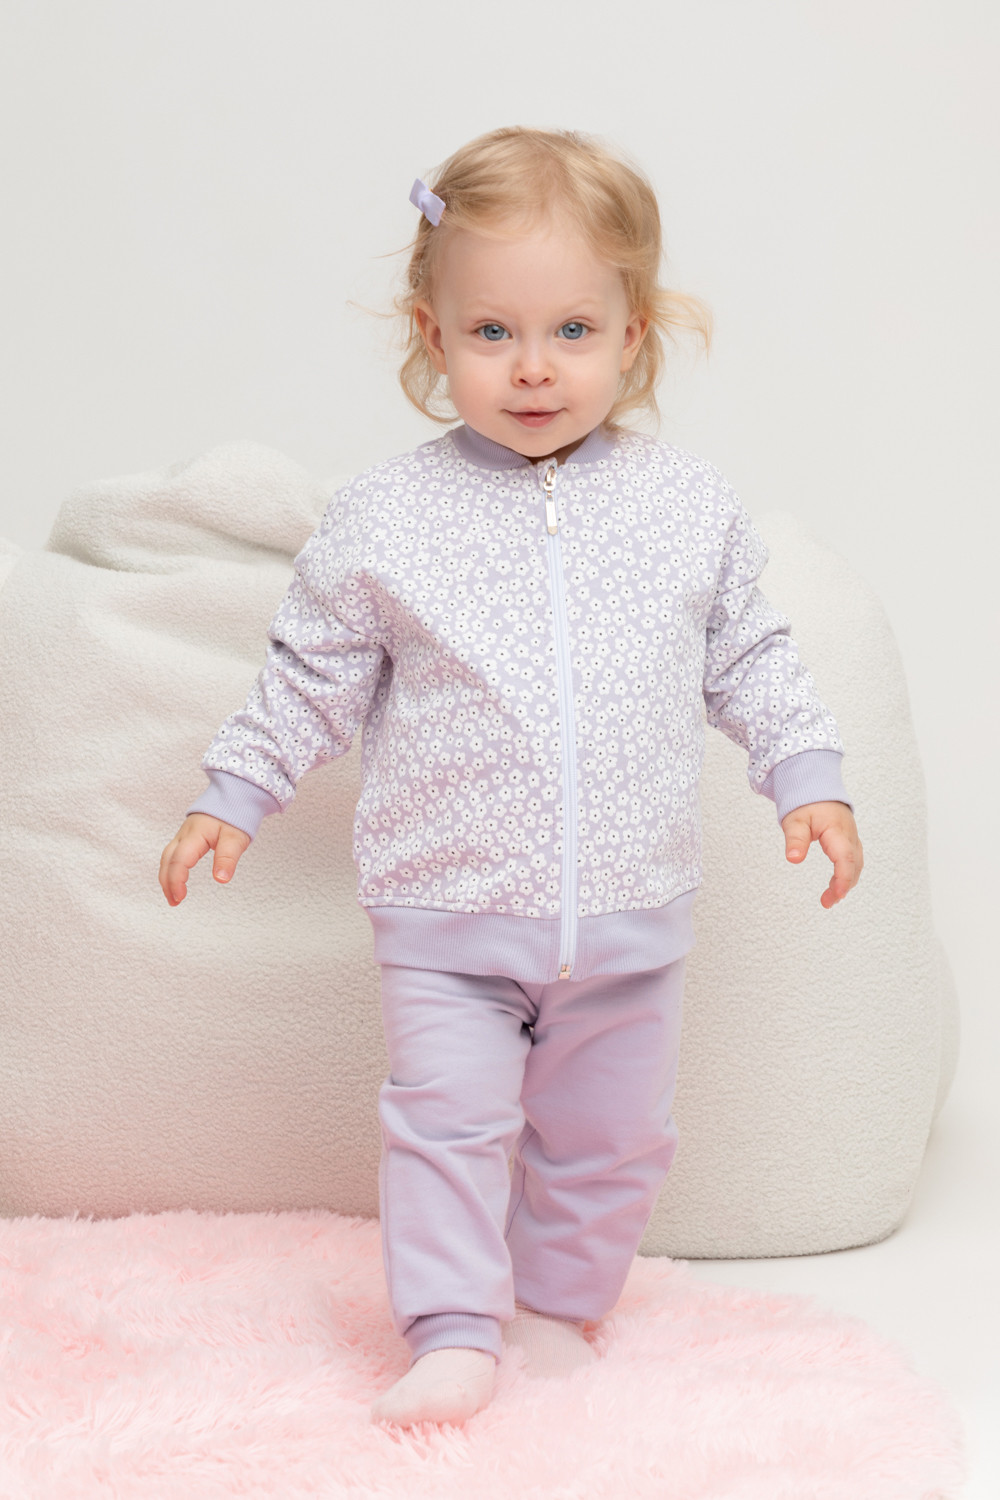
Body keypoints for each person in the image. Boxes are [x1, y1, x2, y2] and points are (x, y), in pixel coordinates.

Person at [158, 126, 863, 1428]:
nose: (534, 366)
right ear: (433, 336)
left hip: (630, 920)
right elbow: (309, 676)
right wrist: (234, 795)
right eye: (492, 332)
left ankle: (554, 1307)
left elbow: (750, 655)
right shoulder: (386, 518)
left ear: (633, 333)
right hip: (448, 916)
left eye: (572, 331)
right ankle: (450, 1330)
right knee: (446, 1124)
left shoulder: (686, 507)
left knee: (613, 1141)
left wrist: (805, 774)